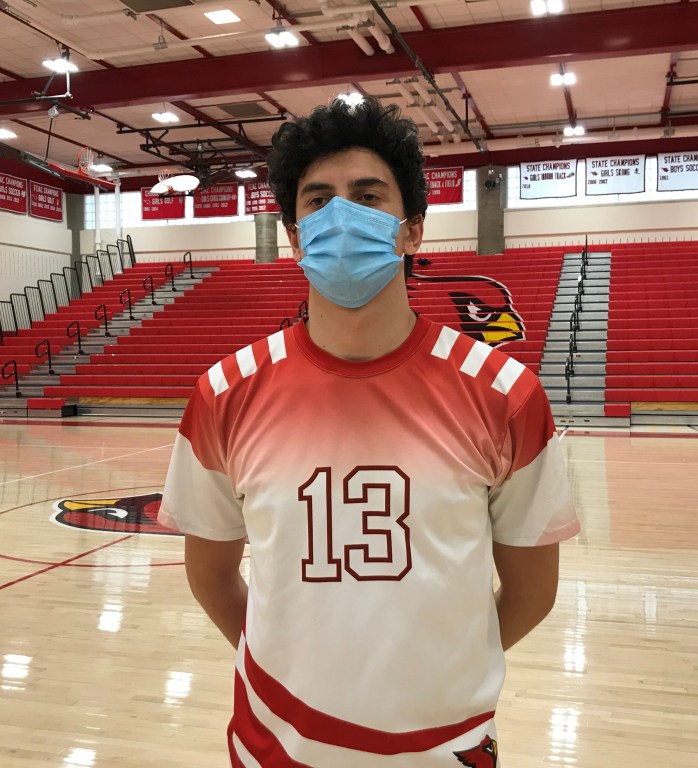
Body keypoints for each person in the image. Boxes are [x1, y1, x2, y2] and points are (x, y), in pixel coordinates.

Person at [159, 97, 579, 768]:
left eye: (366, 196)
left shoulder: (506, 394)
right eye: (318, 200)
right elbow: (210, 576)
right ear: (294, 236)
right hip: (275, 746)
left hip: (445, 748)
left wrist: (443, 677)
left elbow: (533, 593)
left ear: (412, 231)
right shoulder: (224, 392)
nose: (340, 217)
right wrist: (290, 673)